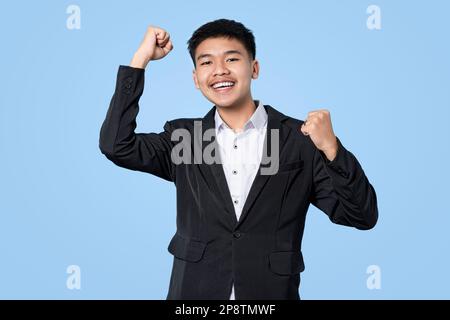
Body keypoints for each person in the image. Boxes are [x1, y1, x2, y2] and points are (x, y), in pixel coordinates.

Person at [99, 19, 378, 300]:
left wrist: (332, 149)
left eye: (232, 58)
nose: (220, 70)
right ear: (196, 79)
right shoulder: (184, 138)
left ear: (254, 68)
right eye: (206, 62)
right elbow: (117, 145)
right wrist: (140, 60)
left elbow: (361, 216)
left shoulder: (299, 139)